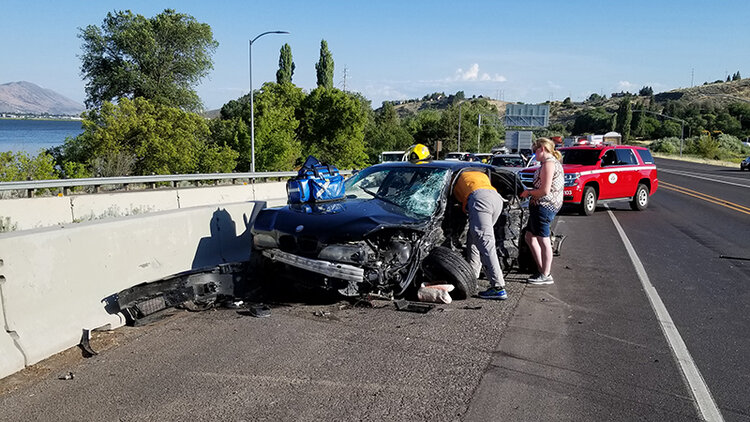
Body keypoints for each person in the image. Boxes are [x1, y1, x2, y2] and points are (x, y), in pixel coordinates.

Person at [453, 169, 508, 300]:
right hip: (496, 198)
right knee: (474, 239)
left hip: (480, 199)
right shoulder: (477, 174)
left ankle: (498, 287)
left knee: (484, 241)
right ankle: (472, 278)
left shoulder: (453, 178)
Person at [520, 137, 564, 285]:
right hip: (542, 204)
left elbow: (544, 190)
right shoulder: (548, 163)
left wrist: (529, 193)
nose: (534, 154)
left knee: (543, 239)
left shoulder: (549, 164)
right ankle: (542, 269)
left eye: (535, 150)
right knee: (529, 237)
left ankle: (546, 273)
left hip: (545, 205)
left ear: (542, 149)